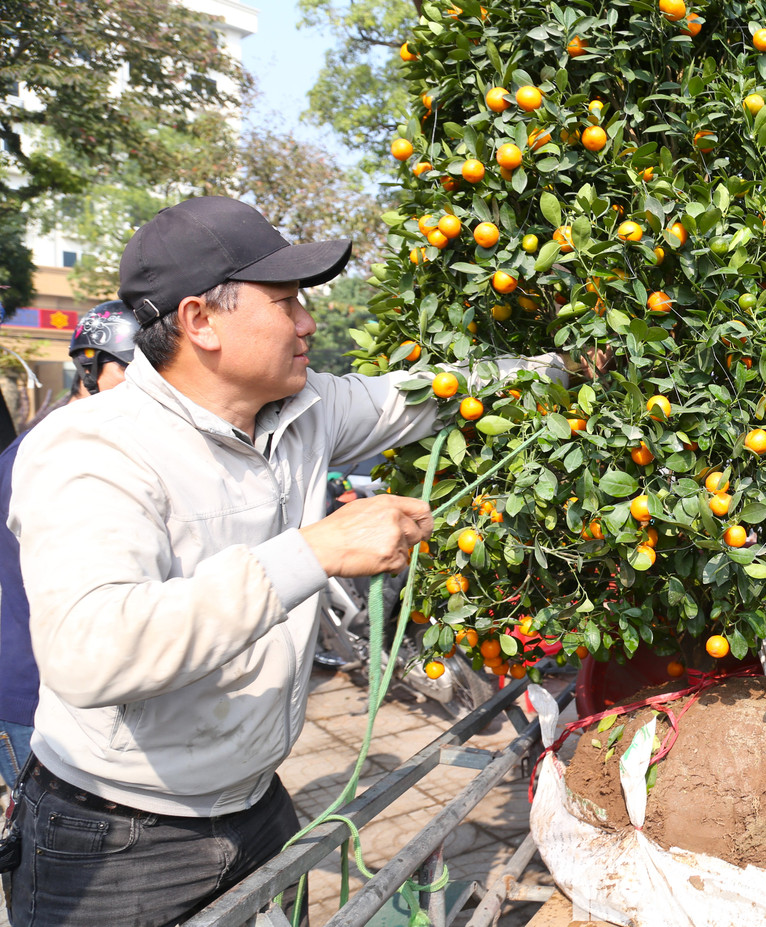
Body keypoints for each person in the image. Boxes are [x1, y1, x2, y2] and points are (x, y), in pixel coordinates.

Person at [1, 196, 563, 926]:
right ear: (200, 320)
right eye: (287, 302)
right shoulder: (93, 448)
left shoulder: (305, 410)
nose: (309, 322)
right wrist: (316, 549)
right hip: (118, 836)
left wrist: (564, 364)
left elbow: (427, 397)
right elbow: (92, 651)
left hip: (258, 802)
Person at [0, 302, 138, 792]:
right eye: (134, 365)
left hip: (101, 701)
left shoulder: (118, 441)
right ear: (90, 367)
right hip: (38, 702)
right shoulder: (45, 455)